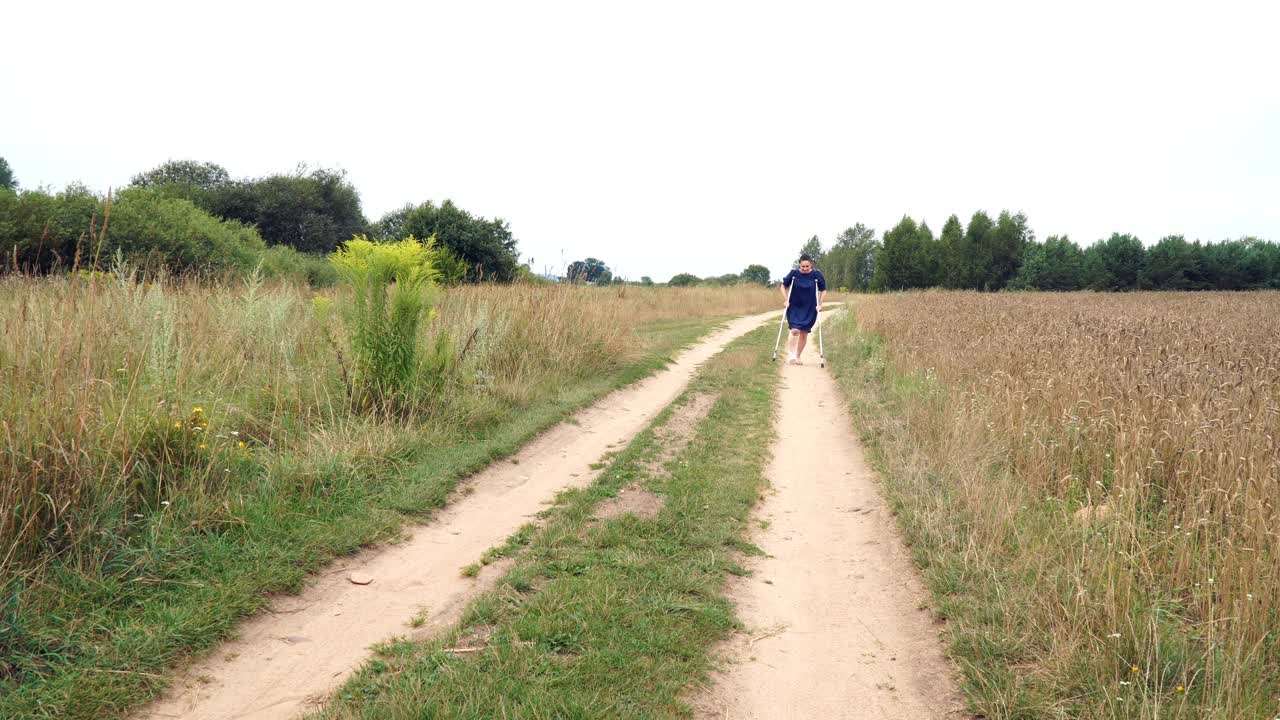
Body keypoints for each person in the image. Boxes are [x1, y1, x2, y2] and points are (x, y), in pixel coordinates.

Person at [779, 254, 826, 365]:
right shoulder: (794, 273)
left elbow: (823, 289)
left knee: (804, 333)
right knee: (795, 330)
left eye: (807, 266)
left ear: (811, 265)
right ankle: (791, 355)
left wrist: (820, 303)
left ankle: (797, 356)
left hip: (810, 307)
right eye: (803, 266)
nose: (805, 269)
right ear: (799, 265)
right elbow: (783, 286)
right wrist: (786, 299)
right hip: (795, 306)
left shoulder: (816, 275)